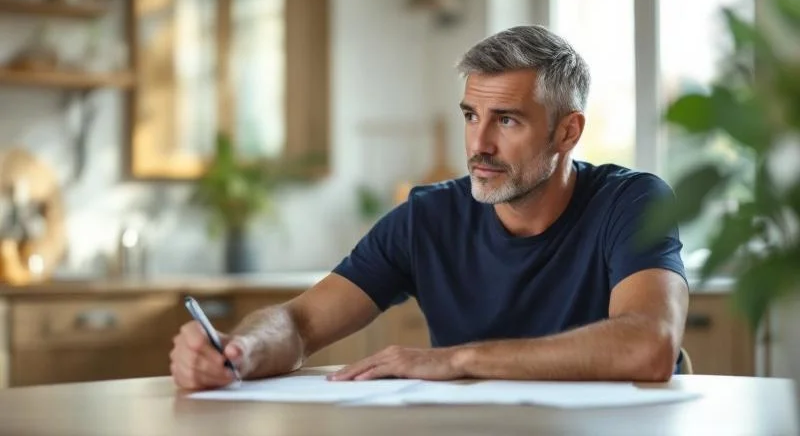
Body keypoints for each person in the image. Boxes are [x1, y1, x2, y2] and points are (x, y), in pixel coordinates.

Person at [170, 25, 688, 390]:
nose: (478, 143)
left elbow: (649, 344)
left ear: (567, 131)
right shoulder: (428, 218)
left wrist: (458, 360)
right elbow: (301, 323)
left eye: (506, 120)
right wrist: (241, 352)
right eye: (470, 115)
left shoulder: (632, 202)